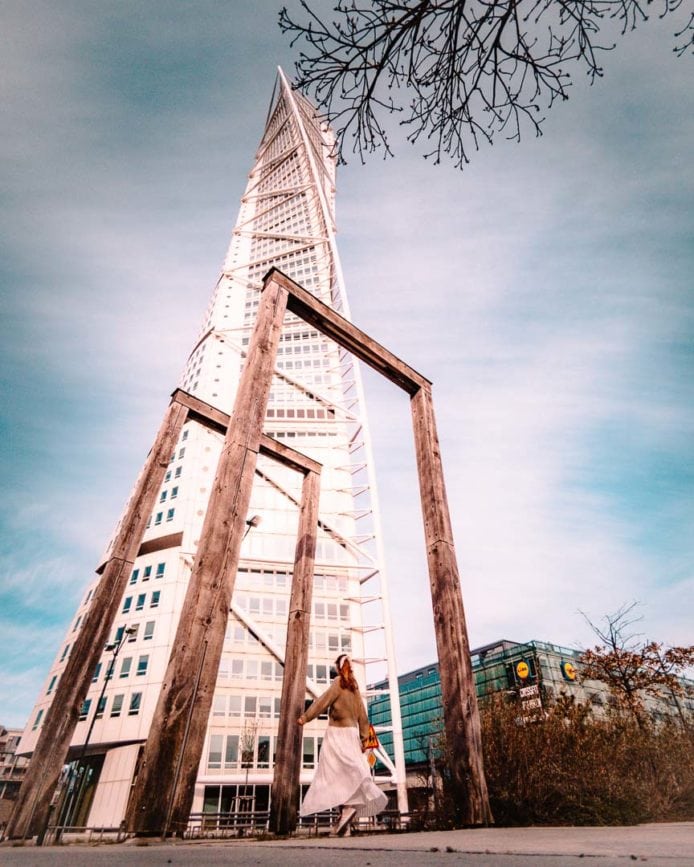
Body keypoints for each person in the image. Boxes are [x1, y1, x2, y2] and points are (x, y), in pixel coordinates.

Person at [297, 653, 388, 836]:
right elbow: (362, 714)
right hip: (352, 734)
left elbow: (323, 702)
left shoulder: (338, 683)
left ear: (338, 668)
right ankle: (343, 825)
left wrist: (305, 717)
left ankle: (347, 808)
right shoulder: (354, 686)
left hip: (336, 734)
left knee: (334, 775)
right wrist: (364, 738)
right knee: (348, 773)